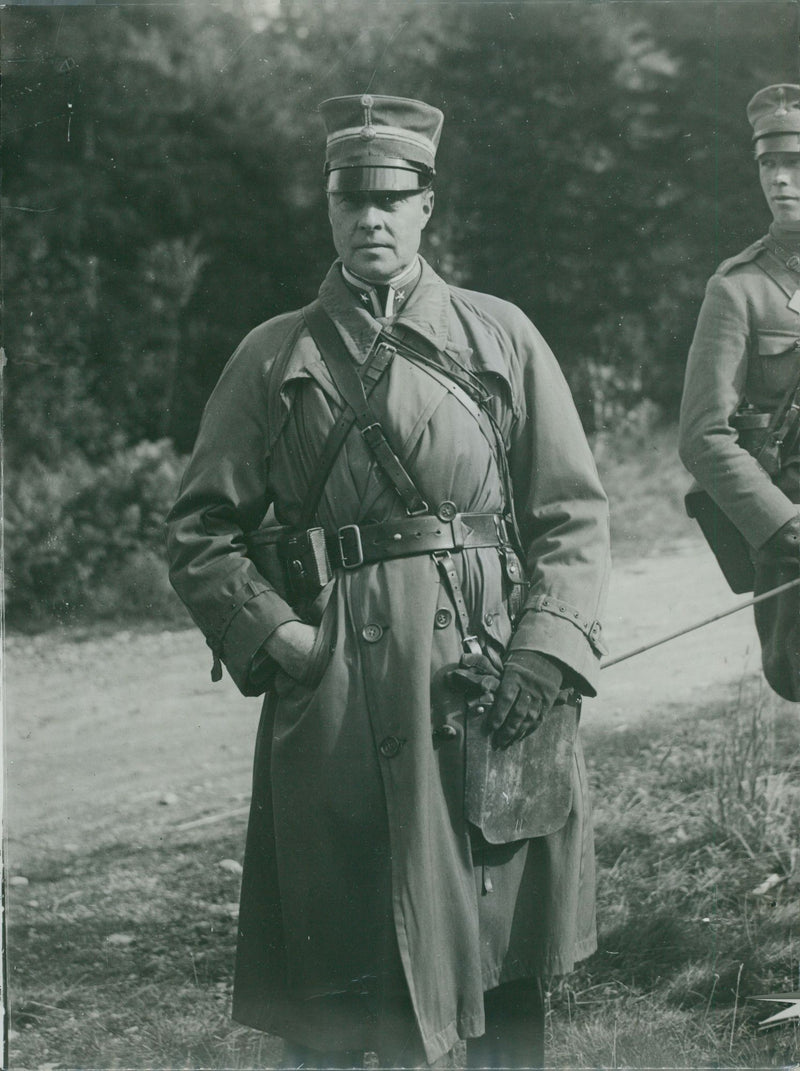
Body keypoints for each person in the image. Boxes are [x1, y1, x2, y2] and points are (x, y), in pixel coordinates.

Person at [167, 94, 610, 1069]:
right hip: (336, 693)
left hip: (485, 684)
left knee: (496, 954)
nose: (370, 218)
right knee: (344, 969)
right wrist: (283, 643)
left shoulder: (500, 338)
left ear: (425, 208)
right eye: (349, 202)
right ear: (328, 213)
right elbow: (199, 532)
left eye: (391, 198)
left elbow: (571, 515)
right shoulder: (271, 354)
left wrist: (542, 652)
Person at [679, 84, 800, 703]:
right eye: (770, 163)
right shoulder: (740, 290)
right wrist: (783, 527)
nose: (781, 179)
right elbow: (703, 436)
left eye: (797, 162)